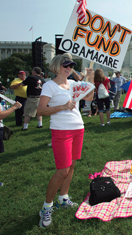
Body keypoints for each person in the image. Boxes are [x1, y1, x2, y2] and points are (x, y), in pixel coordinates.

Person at [37, 54, 94, 228]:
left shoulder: (74, 84)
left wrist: (90, 79)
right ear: (56, 66)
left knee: (71, 166)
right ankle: (46, 206)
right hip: (61, 131)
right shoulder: (49, 86)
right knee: (62, 170)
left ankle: (63, 198)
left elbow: (89, 98)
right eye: (65, 65)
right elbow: (40, 111)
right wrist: (62, 107)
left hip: (78, 128)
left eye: (71, 65)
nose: (68, 68)